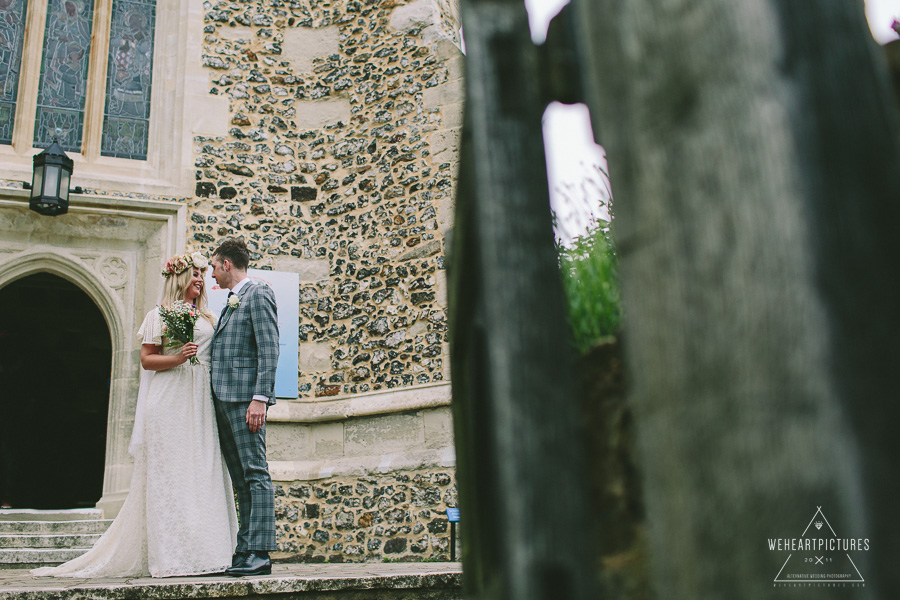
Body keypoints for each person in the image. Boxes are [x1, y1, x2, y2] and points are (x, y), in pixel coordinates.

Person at [33, 252, 237, 578]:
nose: (200, 279)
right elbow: (147, 360)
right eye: (194, 273)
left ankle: (208, 552)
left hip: (200, 403)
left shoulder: (211, 317)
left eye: (202, 273)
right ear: (179, 278)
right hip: (170, 400)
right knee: (172, 475)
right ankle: (173, 557)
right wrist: (179, 358)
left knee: (203, 470)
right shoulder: (160, 315)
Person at [209, 238, 280, 577]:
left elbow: (269, 350)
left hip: (245, 401)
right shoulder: (230, 301)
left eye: (213, 266)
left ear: (226, 264)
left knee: (255, 473)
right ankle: (245, 548)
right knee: (240, 479)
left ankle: (260, 553)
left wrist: (260, 399)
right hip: (225, 399)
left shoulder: (259, 293)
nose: (211, 274)